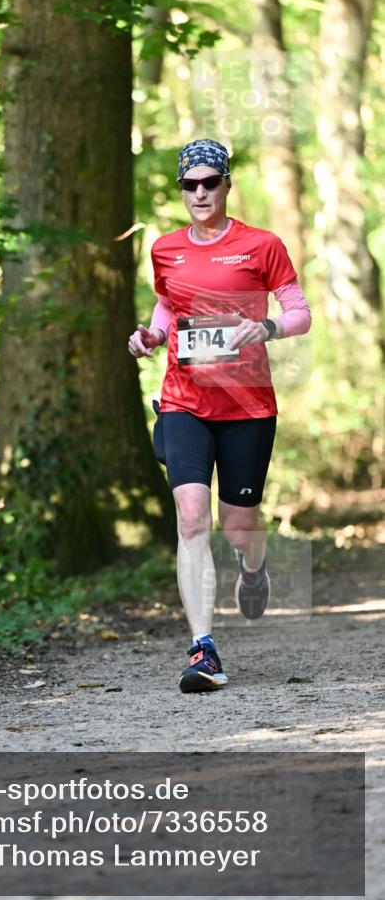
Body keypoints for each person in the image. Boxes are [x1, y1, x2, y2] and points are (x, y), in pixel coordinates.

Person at [128, 138, 311, 693]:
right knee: (190, 516)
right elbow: (168, 303)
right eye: (191, 184)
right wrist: (153, 334)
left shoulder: (262, 245)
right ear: (182, 189)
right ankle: (202, 649)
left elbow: (299, 312)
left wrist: (269, 327)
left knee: (237, 527)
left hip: (247, 405)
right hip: (184, 400)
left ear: (227, 184)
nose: (201, 192)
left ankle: (252, 567)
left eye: (211, 182)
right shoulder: (165, 249)